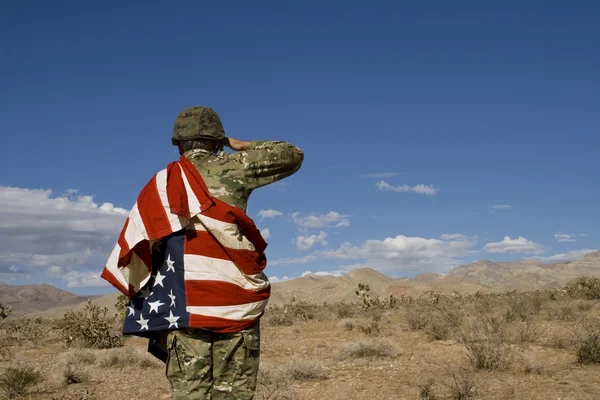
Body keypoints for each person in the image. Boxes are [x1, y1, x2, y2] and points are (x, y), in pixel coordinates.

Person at [101, 105, 303, 400]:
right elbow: (291, 154)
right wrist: (241, 145)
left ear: (179, 145)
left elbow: (144, 247)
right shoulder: (236, 168)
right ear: (216, 141)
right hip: (235, 303)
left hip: (184, 306)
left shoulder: (161, 185)